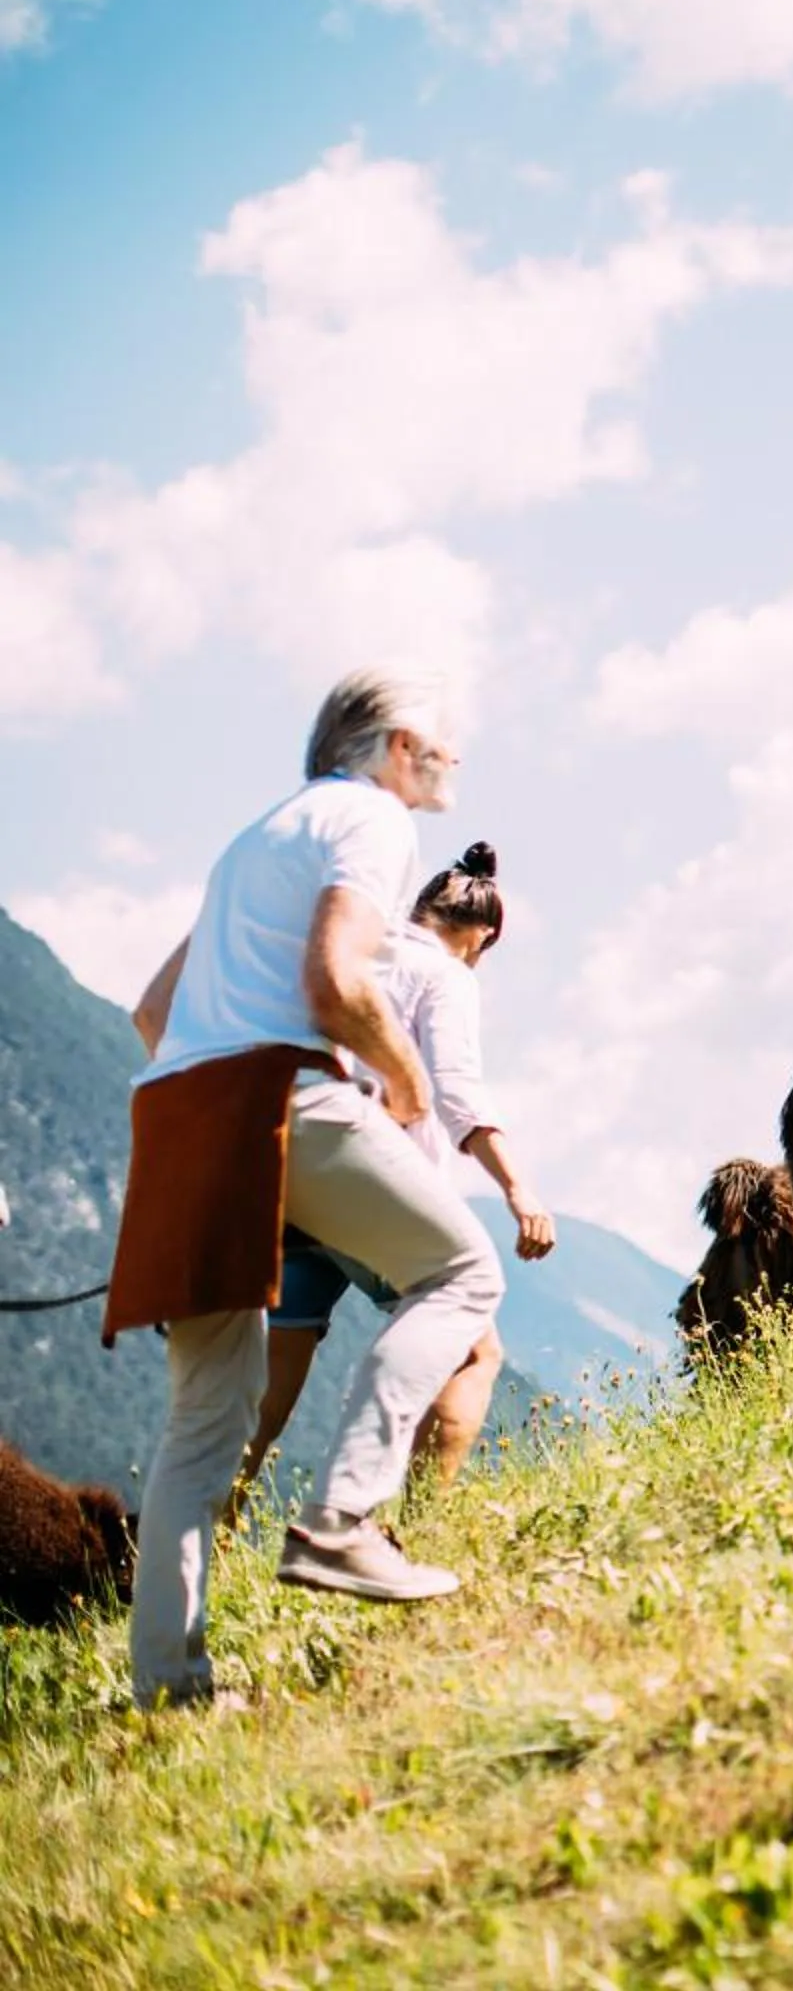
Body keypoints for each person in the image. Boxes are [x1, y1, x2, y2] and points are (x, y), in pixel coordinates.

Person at [109, 671, 505, 1710]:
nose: (454, 759)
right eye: (447, 743)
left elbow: (155, 1011)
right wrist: (404, 1078)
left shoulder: (259, 839)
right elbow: (337, 979)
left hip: (184, 1116)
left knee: (204, 1420)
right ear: (400, 743)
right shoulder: (371, 820)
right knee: (462, 1271)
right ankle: (344, 1519)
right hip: (282, 1098)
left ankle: (170, 1689)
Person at [231, 842, 553, 1510]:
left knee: (268, 1396)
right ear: (483, 937)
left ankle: (201, 1539)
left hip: (289, 1183)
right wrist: (518, 1189)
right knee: (472, 1353)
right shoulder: (445, 975)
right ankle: (406, 1527)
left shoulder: (353, 950)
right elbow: (457, 1090)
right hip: (370, 1185)